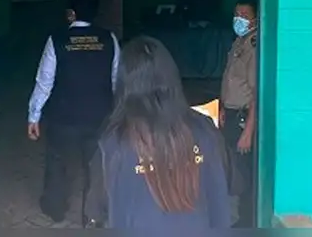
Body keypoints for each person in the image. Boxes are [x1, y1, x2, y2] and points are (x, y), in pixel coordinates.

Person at [84, 36, 232, 229]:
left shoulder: (113, 142)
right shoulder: (204, 129)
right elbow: (226, 184)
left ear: (124, 83)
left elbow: (96, 208)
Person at [26, 0, 120, 227]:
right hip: (99, 116)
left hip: (63, 117)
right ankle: (93, 215)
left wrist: (34, 116)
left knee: (58, 161)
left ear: (71, 13)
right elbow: (116, 81)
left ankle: (55, 209)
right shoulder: (109, 39)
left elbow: (44, 82)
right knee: (97, 166)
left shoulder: (57, 40)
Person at [219, 0, 259, 227]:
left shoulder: (253, 46)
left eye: (245, 15)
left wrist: (248, 132)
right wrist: (222, 107)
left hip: (244, 118)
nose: (239, 19)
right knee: (234, 168)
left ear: (256, 20)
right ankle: (239, 218)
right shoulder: (239, 42)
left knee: (244, 173)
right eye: (237, 14)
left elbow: (256, 94)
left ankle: (246, 221)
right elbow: (229, 79)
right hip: (232, 114)